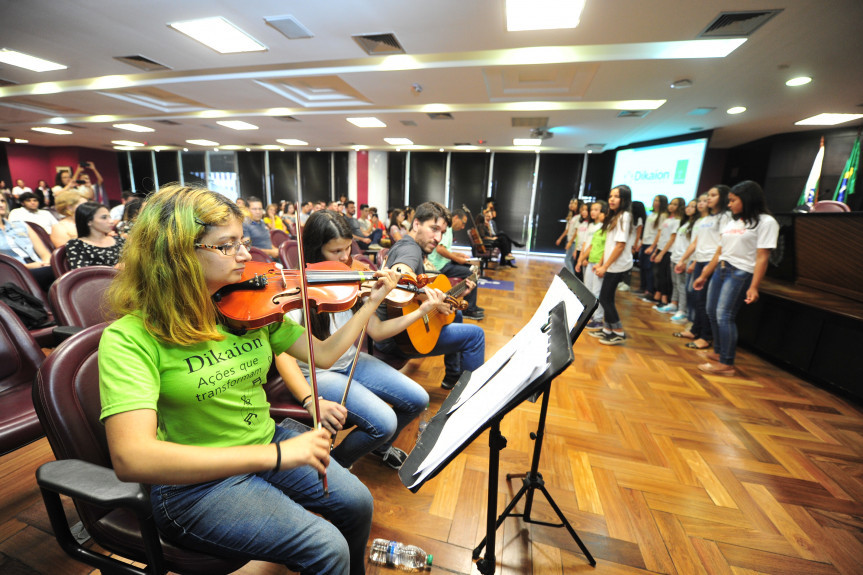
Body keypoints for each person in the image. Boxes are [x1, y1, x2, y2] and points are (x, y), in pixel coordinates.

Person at [98, 185, 397, 574]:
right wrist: (276, 455)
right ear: (176, 254)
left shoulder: (247, 309)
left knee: (358, 502)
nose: (246, 255)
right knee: (327, 547)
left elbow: (323, 354)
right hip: (195, 486)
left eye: (243, 241)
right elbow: (131, 457)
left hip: (264, 440)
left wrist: (369, 303)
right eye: (227, 246)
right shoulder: (129, 338)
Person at [275, 210, 430, 470]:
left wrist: (421, 311)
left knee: (419, 398)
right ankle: (337, 466)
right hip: (318, 372)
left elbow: (378, 331)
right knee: (386, 422)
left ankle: (378, 447)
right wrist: (309, 399)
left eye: (348, 248)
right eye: (336, 252)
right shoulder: (296, 290)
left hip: (351, 361)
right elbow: (284, 355)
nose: (346, 258)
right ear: (315, 251)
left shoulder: (351, 277)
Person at [375, 202, 486, 390]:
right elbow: (400, 277)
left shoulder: (409, 245)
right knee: (476, 336)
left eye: (442, 232)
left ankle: (452, 375)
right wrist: (434, 299)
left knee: (455, 314)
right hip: (397, 337)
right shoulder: (410, 250)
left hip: (402, 328)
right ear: (416, 224)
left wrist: (449, 298)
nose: (438, 238)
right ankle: (469, 398)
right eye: (434, 229)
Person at [693, 181, 779, 375]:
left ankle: (727, 362)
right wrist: (704, 275)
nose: (729, 204)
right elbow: (720, 251)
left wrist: (754, 286)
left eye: (732, 200)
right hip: (721, 270)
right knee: (711, 311)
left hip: (741, 272)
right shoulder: (734, 221)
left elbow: (762, 256)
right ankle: (718, 352)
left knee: (724, 315)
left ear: (747, 199)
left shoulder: (766, 222)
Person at [672, 185, 731, 349]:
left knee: (706, 301)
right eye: (708, 195)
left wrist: (706, 267)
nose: (709, 198)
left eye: (713, 195)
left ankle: (706, 337)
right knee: (697, 298)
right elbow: (696, 242)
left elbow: (722, 245)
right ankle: (695, 330)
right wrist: (683, 260)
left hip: (712, 262)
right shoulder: (706, 219)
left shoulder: (725, 217)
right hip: (699, 259)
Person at [588, 185, 634, 345]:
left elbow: (620, 245)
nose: (612, 199)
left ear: (624, 199)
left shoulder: (625, 216)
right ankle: (608, 329)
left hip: (618, 265)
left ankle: (618, 332)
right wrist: (600, 263)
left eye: (616, 196)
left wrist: (605, 266)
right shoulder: (615, 216)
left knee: (605, 298)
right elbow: (608, 244)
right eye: (611, 196)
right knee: (606, 297)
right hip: (610, 264)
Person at [427, 207, 484, 319]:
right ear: (456, 218)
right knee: (470, 272)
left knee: (474, 269)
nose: (463, 227)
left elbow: (446, 250)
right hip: (440, 266)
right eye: (463, 223)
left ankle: (471, 306)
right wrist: (457, 259)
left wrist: (459, 255)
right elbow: (440, 249)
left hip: (445, 263)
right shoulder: (446, 229)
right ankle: (468, 310)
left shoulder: (449, 230)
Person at [0, 196, 54, 292]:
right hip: (14, 272)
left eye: (2, 201)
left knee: (58, 271)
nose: (1, 205)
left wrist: (46, 263)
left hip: (41, 267)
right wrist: (29, 266)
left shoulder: (21, 225)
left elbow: (45, 253)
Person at [576, 201, 609, 330]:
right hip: (590, 261)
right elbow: (588, 245)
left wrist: (601, 263)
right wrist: (581, 259)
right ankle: (589, 314)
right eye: (593, 209)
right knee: (588, 289)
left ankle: (598, 318)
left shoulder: (605, 228)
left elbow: (604, 248)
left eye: (598, 210)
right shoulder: (590, 226)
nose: (594, 212)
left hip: (598, 263)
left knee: (597, 291)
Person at [665, 199, 698, 322]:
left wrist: (685, 260)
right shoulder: (685, 223)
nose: (689, 208)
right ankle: (673, 304)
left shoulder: (696, 225)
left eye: (692, 207)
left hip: (683, 259)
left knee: (682, 285)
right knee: (675, 283)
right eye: (688, 206)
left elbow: (693, 245)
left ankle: (682, 310)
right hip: (675, 257)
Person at [65, 202, 125, 269]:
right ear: (89, 221)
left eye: (110, 217)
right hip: (102, 279)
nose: (111, 221)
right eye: (104, 218)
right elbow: (81, 274)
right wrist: (114, 269)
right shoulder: (76, 244)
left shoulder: (119, 240)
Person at [648, 196, 683, 309]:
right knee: (658, 274)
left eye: (675, 204)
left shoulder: (678, 221)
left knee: (665, 276)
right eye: (671, 203)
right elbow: (662, 235)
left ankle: (665, 299)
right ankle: (659, 296)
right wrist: (655, 251)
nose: (671, 206)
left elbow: (672, 239)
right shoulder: (668, 219)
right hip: (661, 248)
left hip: (668, 251)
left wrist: (662, 253)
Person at [641, 195, 668, 303]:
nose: (654, 202)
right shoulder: (651, 214)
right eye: (654, 200)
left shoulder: (663, 216)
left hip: (653, 244)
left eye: (657, 200)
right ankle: (644, 288)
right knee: (643, 266)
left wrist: (653, 246)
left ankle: (650, 290)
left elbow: (660, 232)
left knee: (650, 268)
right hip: (645, 242)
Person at [556, 199, 581, 276]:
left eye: (575, 203)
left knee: (567, 259)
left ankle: (572, 278)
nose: (572, 205)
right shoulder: (572, 217)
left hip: (573, 242)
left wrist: (570, 242)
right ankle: (571, 277)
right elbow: (567, 230)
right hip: (569, 240)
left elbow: (577, 231)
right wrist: (560, 238)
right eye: (571, 203)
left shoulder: (579, 217)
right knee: (570, 260)